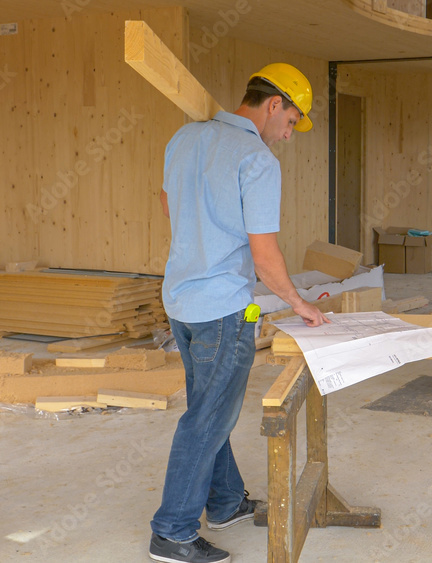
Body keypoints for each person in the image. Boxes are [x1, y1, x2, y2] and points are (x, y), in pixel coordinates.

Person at [149, 63, 330, 563]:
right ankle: (172, 532)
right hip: (225, 309)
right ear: (274, 105)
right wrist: (300, 305)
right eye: (292, 122)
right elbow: (265, 254)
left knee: (209, 405)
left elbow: (169, 205)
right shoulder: (257, 159)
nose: (289, 135)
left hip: (180, 301)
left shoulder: (184, 138)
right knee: (208, 417)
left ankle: (225, 502)